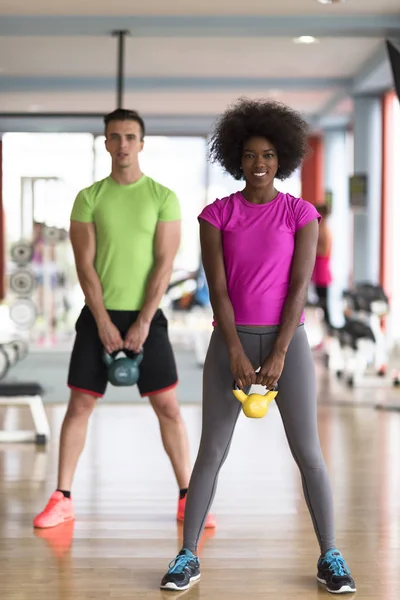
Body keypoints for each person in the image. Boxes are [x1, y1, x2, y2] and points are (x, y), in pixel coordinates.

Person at [160, 99, 356, 594]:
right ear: (236, 159)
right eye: (250, 155)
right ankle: (187, 556)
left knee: (308, 452)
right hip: (231, 341)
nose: (260, 164)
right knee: (211, 451)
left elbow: (298, 289)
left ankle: (331, 555)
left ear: (282, 158)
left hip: (287, 342)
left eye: (268, 154)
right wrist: (236, 351)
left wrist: (279, 353)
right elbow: (219, 290)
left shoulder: (301, 214)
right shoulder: (216, 215)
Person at [33, 108, 216, 531]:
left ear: (142, 143)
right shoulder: (89, 197)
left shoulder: (162, 196)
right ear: (106, 143)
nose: (122, 145)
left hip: (147, 316)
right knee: (79, 405)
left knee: (168, 406)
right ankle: (62, 497)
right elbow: (85, 265)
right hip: (99, 313)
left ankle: (188, 496)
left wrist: (143, 321)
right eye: (114, 137)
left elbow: (165, 265)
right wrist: (101, 320)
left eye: (130, 137)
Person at [312, 204, 333, 334]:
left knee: (323, 301)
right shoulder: (322, 228)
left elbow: (323, 250)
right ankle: (326, 328)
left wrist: (310, 249)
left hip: (322, 268)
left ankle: (327, 329)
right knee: (322, 300)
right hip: (320, 268)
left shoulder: (323, 229)